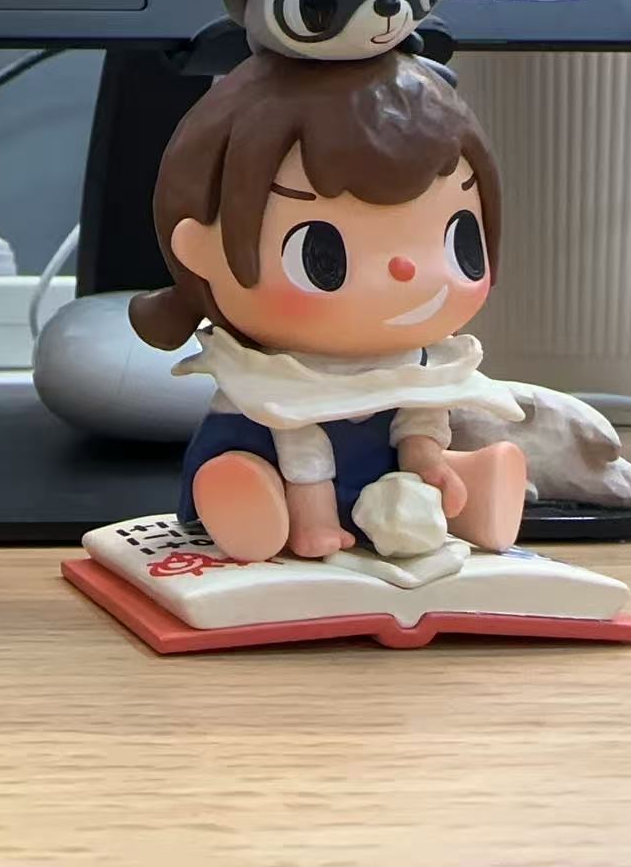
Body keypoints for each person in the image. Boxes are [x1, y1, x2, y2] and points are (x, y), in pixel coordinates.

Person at [130, 50, 527, 561]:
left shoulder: (418, 360)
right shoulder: (271, 376)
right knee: (245, 470)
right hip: (273, 465)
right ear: (200, 250)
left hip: (378, 479)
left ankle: (470, 492)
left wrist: (427, 461)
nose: (406, 270)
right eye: (322, 255)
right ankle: (253, 508)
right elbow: (299, 441)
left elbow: (419, 413)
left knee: (425, 479)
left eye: (459, 239)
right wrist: (313, 518)